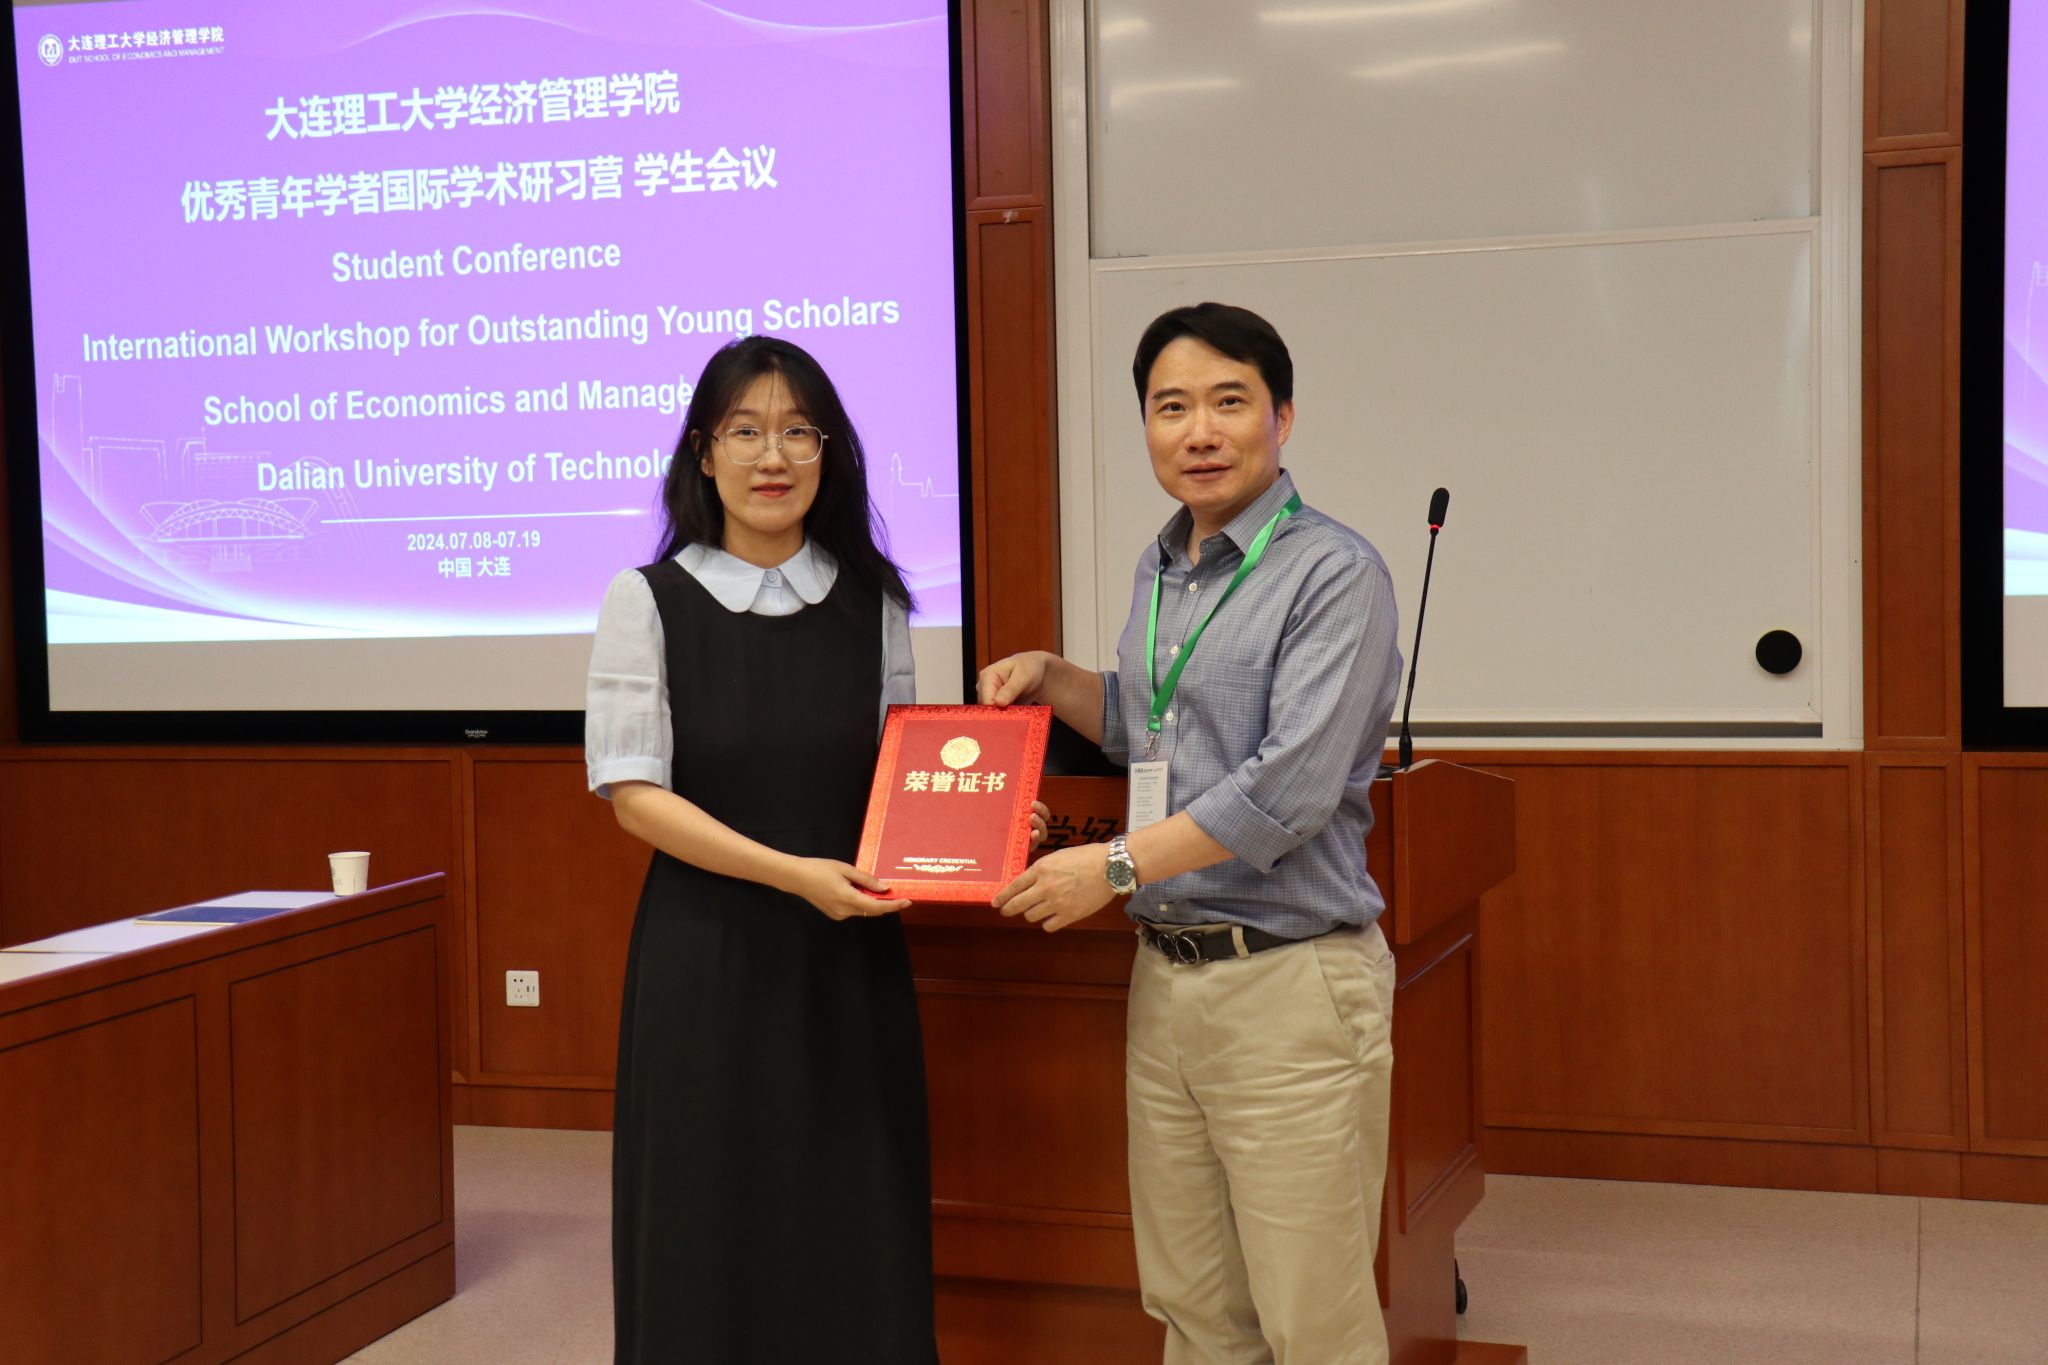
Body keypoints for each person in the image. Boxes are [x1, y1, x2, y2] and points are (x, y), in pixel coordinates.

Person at [978, 303, 1405, 1364]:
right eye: (1171, 407)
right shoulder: (1163, 565)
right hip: (1167, 980)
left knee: (1311, 1317)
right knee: (1194, 1307)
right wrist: (1053, 676)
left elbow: (1287, 790)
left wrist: (1115, 865)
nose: (1199, 432)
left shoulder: (1333, 573)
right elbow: (1150, 726)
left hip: (1289, 983)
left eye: (1228, 402)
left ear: (1282, 417)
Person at [585, 335, 941, 1363]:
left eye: (797, 432)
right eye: (744, 431)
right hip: (708, 957)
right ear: (703, 454)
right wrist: (791, 876)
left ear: (829, 453)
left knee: (852, 1211)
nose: (772, 456)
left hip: (848, 959)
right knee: (708, 1219)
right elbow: (634, 796)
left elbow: (899, 782)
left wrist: (991, 826)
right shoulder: (647, 600)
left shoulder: (874, 603)